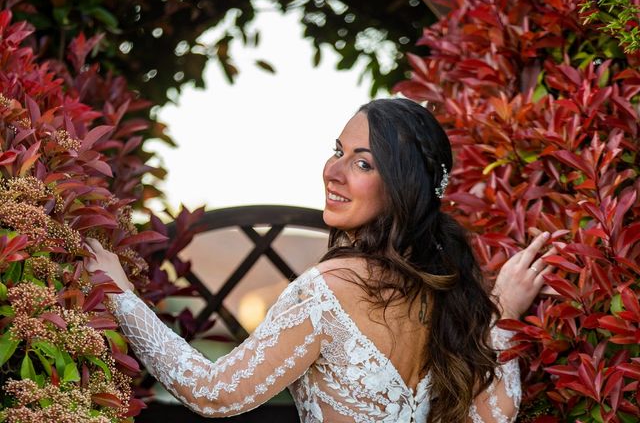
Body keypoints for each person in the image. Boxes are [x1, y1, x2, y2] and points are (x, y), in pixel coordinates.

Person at [87, 97, 555, 422]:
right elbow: (490, 417)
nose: (332, 172)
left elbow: (214, 393)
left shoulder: (329, 289)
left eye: (362, 163)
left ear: (403, 185)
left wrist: (122, 295)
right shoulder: (448, 289)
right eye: (338, 151)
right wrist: (504, 314)